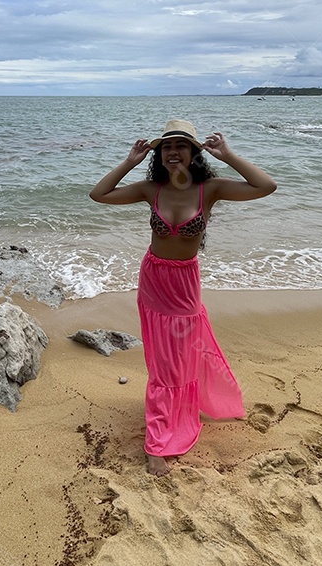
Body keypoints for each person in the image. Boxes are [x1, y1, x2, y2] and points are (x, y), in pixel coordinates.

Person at [89, 119, 277, 475]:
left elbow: (266, 186)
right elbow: (98, 195)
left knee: (184, 351)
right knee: (164, 362)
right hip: (154, 280)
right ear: (160, 154)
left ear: (194, 152)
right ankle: (159, 438)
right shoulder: (151, 189)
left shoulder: (211, 188)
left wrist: (229, 155)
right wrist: (129, 161)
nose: (174, 152)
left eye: (181, 146)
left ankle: (188, 406)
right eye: (167, 147)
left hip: (185, 283)